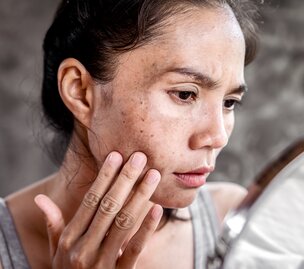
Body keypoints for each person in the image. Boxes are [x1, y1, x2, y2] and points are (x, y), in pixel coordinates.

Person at [0, 0, 258, 268]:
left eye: (230, 102)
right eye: (185, 94)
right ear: (80, 92)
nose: (218, 137)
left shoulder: (236, 226)